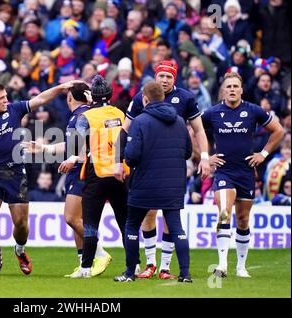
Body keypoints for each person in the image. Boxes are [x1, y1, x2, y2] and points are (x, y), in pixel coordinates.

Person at [115, 60, 211, 280]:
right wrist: (118, 160)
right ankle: (151, 263)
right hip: (152, 163)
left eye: (169, 76)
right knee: (152, 213)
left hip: (171, 161)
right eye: (161, 76)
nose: (165, 80)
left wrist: (204, 157)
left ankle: (165, 267)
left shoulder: (185, 98)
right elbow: (124, 129)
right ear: (155, 77)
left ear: (174, 78)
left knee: (167, 217)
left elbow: (198, 130)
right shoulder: (140, 97)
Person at [0, 80, 80, 275]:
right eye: (1, 98)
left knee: (21, 224)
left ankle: (20, 249)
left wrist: (62, 87)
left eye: (6, 96)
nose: (6, 100)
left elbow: (40, 98)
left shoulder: (14, 110)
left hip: (16, 173)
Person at [22, 82, 112, 277]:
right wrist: (45, 149)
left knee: (71, 218)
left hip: (83, 170)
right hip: (78, 169)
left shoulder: (82, 116)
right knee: (76, 219)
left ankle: (100, 252)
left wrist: (73, 159)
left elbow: (89, 146)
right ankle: (83, 264)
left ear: (69, 97)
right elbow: (73, 144)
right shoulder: (80, 115)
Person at [202, 72, 284, 278]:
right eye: (228, 86)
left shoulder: (253, 110)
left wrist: (263, 154)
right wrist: (205, 156)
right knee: (223, 213)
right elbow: (194, 131)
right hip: (224, 171)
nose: (231, 89)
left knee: (243, 219)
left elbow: (279, 131)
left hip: (246, 172)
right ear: (222, 90)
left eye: (235, 86)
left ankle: (241, 266)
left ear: (241, 90)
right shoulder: (212, 113)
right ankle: (221, 265)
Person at [68, 75, 129, 278]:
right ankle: (134, 265)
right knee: (125, 223)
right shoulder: (121, 113)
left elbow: (77, 142)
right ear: (111, 95)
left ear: (91, 96)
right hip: (121, 174)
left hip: (97, 173)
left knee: (91, 224)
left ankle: (85, 268)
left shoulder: (87, 117)